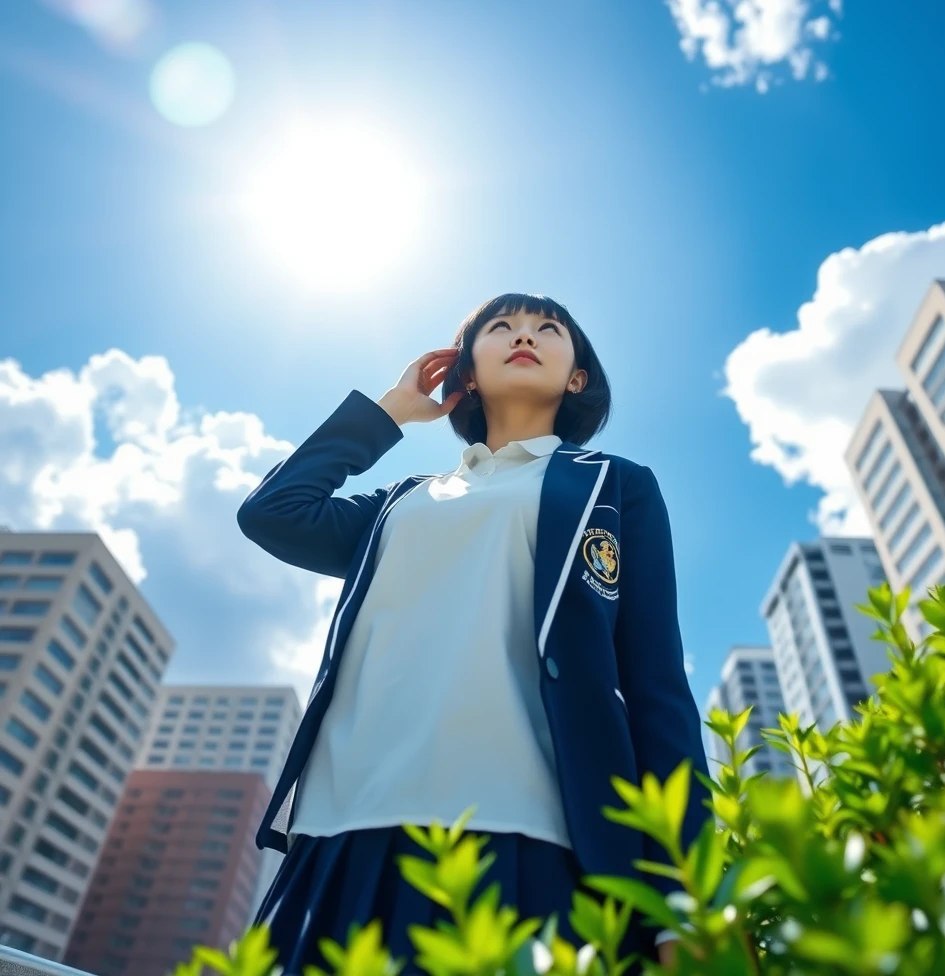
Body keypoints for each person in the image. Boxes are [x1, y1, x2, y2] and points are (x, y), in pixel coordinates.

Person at [236, 292, 711, 974]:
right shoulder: (402, 500)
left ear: (576, 376)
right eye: (501, 327)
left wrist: (682, 894)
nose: (526, 334)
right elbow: (274, 513)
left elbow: (657, 689)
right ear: (466, 372)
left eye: (550, 329)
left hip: (531, 831)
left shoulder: (614, 487)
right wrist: (391, 411)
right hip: (343, 827)